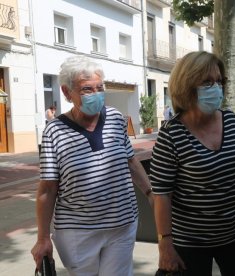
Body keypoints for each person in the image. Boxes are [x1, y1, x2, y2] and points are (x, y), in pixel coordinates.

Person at [31, 56, 153, 275]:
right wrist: (42, 238)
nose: (96, 94)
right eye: (87, 89)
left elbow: (130, 161)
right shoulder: (55, 131)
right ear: (67, 92)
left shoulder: (116, 118)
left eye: (100, 88)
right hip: (78, 232)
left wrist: (151, 194)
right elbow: (48, 189)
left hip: (122, 224)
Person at [150, 51, 235, 275]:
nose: (216, 88)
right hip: (190, 242)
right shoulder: (171, 135)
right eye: (207, 82)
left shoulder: (231, 121)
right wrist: (165, 245)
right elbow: (162, 194)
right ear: (187, 86)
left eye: (219, 81)